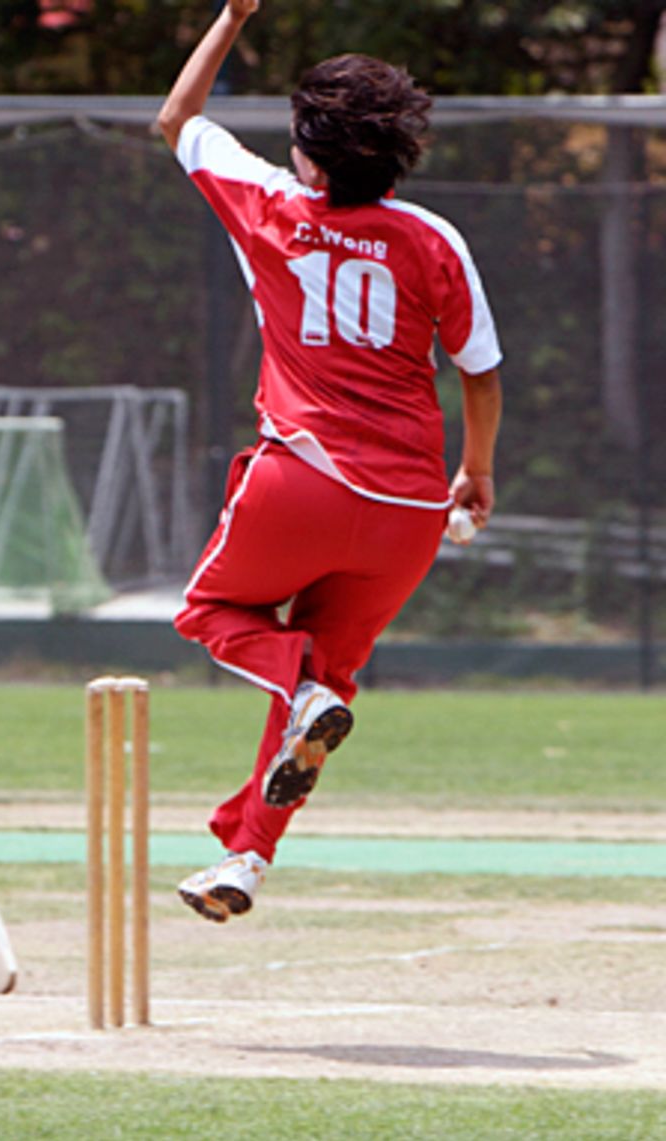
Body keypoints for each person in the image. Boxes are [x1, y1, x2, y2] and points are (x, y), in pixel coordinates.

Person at [157, 3, 503, 921]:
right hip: (409, 514)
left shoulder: (270, 204)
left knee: (211, 614)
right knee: (320, 689)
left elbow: (177, 117)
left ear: (312, 158)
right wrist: (477, 472)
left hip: (301, 481)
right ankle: (245, 859)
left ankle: (298, 692)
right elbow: (479, 372)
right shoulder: (434, 239)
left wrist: (233, 14)